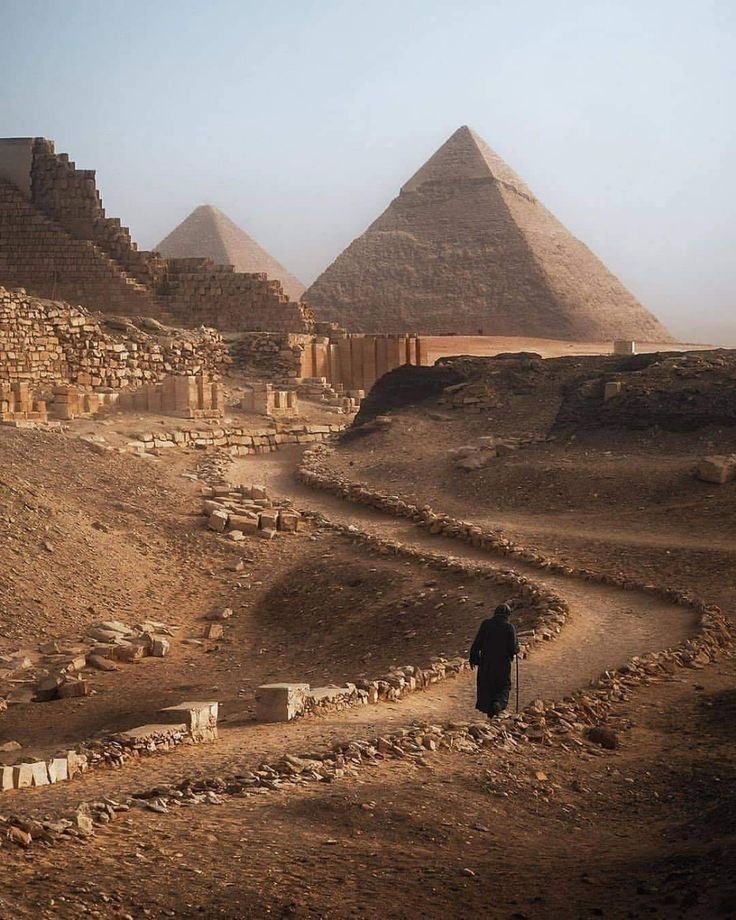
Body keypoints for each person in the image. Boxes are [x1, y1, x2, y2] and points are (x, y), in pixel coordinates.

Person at [469, 603, 520, 718]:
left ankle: (491, 713)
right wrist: (518, 648)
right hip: (503, 664)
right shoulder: (509, 627)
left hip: (486, 663)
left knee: (487, 686)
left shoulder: (486, 624)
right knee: (503, 687)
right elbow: (513, 648)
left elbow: (477, 643)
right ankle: (499, 704)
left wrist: (474, 659)